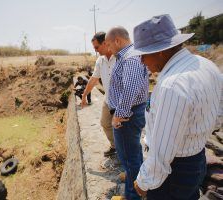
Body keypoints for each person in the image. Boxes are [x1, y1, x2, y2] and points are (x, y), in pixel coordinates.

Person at [129, 14, 222, 200]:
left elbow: (163, 153)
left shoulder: (172, 86)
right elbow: (219, 113)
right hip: (197, 158)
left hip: (174, 173)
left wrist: (143, 181)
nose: (141, 62)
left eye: (143, 55)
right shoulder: (207, 65)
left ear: (160, 51)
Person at [105, 26, 149, 200]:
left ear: (117, 40)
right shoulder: (129, 54)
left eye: (109, 44)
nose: (108, 48)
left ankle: (132, 195)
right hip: (132, 111)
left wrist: (118, 115)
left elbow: (130, 89)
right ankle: (134, 178)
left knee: (128, 157)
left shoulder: (130, 58)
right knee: (133, 151)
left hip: (127, 115)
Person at [81, 31, 117, 157]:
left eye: (97, 47)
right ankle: (114, 146)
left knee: (122, 129)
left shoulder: (119, 58)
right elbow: (93, 79)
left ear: (106, 43)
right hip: (108, 100)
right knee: (105, 123)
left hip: (121, 101)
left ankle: (125, 153)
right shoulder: (100, 61)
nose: (96, 50)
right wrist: (84, 95)